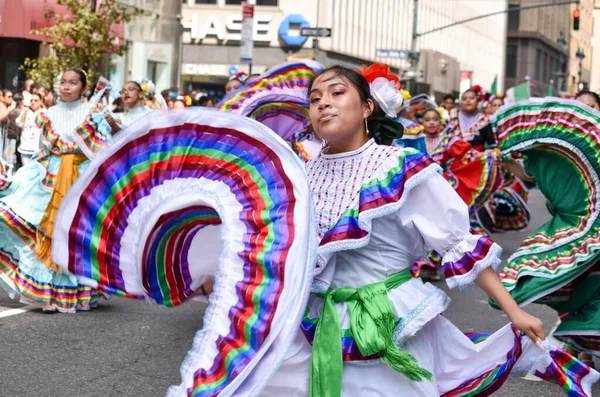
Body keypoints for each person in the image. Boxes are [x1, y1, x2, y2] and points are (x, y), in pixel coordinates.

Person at [256, 64, 599, 396]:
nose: (323, 103)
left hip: (389, 322)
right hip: (315, 321)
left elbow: (458, 244)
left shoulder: (400, 167)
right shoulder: (298, 175)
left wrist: (514, 311)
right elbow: (278, 247)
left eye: (336, 92)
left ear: (367, 107)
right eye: (315, 99)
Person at [494, 98, 600, 369]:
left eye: (591, 105)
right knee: (572, 286)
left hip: (594, 225)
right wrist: (508, 164)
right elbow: (531, 176)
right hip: (571, 225)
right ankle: (582, 344)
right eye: (579, 104)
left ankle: (587, 343)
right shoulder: (552, 148)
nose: (586, 109)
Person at [0, 69, 113, 313]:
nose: (66, 87)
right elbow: (43, 152)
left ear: (83, 88)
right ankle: (46, 294)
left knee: (77, 234)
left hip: (82, 180)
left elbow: (103, 150)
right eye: (63, 82)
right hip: (50, 179)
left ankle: (78, 293)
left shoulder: (94, 114)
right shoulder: (48, 114)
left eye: (73, 83)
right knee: (46, 231)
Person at [447, 87, 496, 151]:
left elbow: (492, 145)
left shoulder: (483, 120)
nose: (468, 100)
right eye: (464, 99)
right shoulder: (453, 117)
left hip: (478, 158)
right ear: (461, 102)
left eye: (471, 98)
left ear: (477, 101)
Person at [15, 92, 43, 166]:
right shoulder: (26, 112)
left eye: (36, 100)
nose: (33, 103)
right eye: (31, 100)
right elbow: (19, 123)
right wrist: (25, 113)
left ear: (41, 101)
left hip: (38, 150)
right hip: (25, 148)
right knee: (26, 171)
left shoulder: (44, 113)